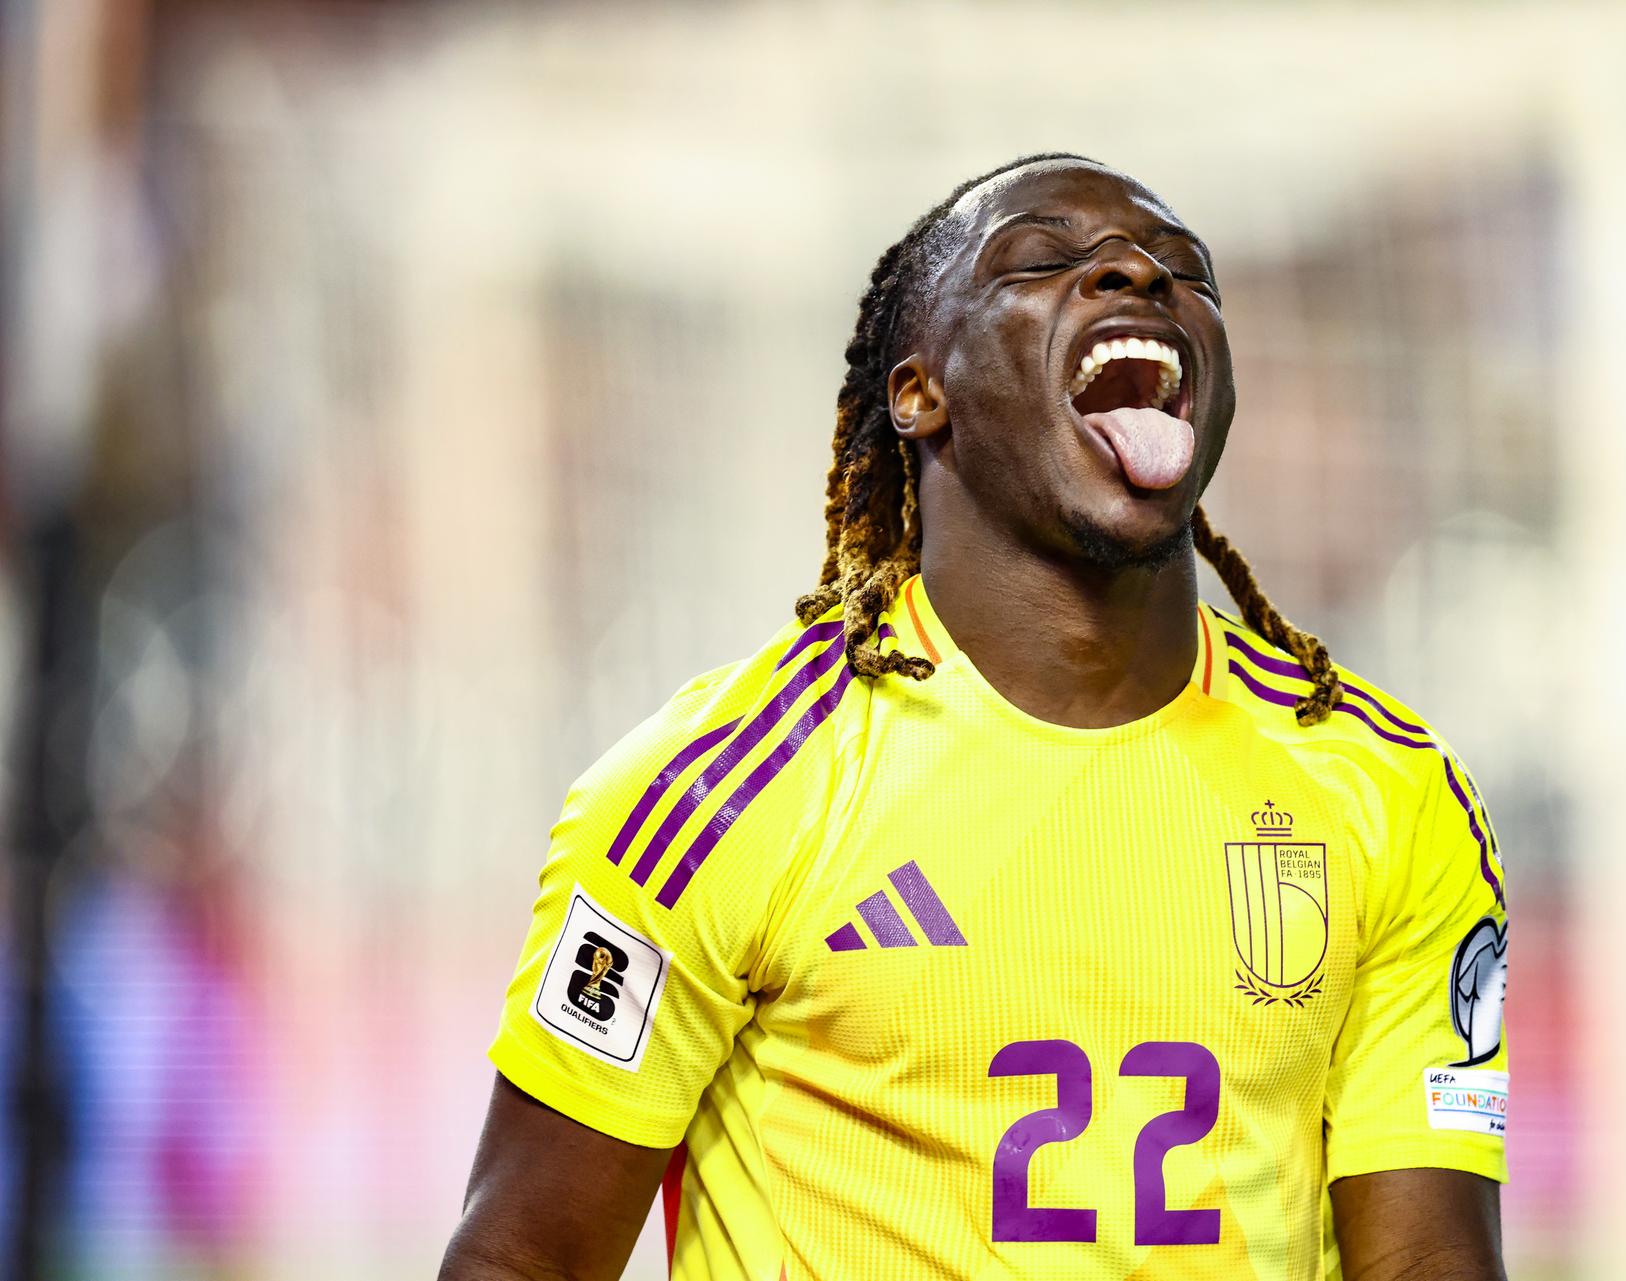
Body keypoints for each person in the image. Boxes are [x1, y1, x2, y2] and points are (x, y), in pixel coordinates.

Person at [440, 154, 1510, 1281]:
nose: (1137, 277)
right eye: (1045, 261)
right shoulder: (714, 793)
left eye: (1184, 274)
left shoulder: (1386, 792)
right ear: (919, 392)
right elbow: (522, 1256)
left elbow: (1428, 1263)